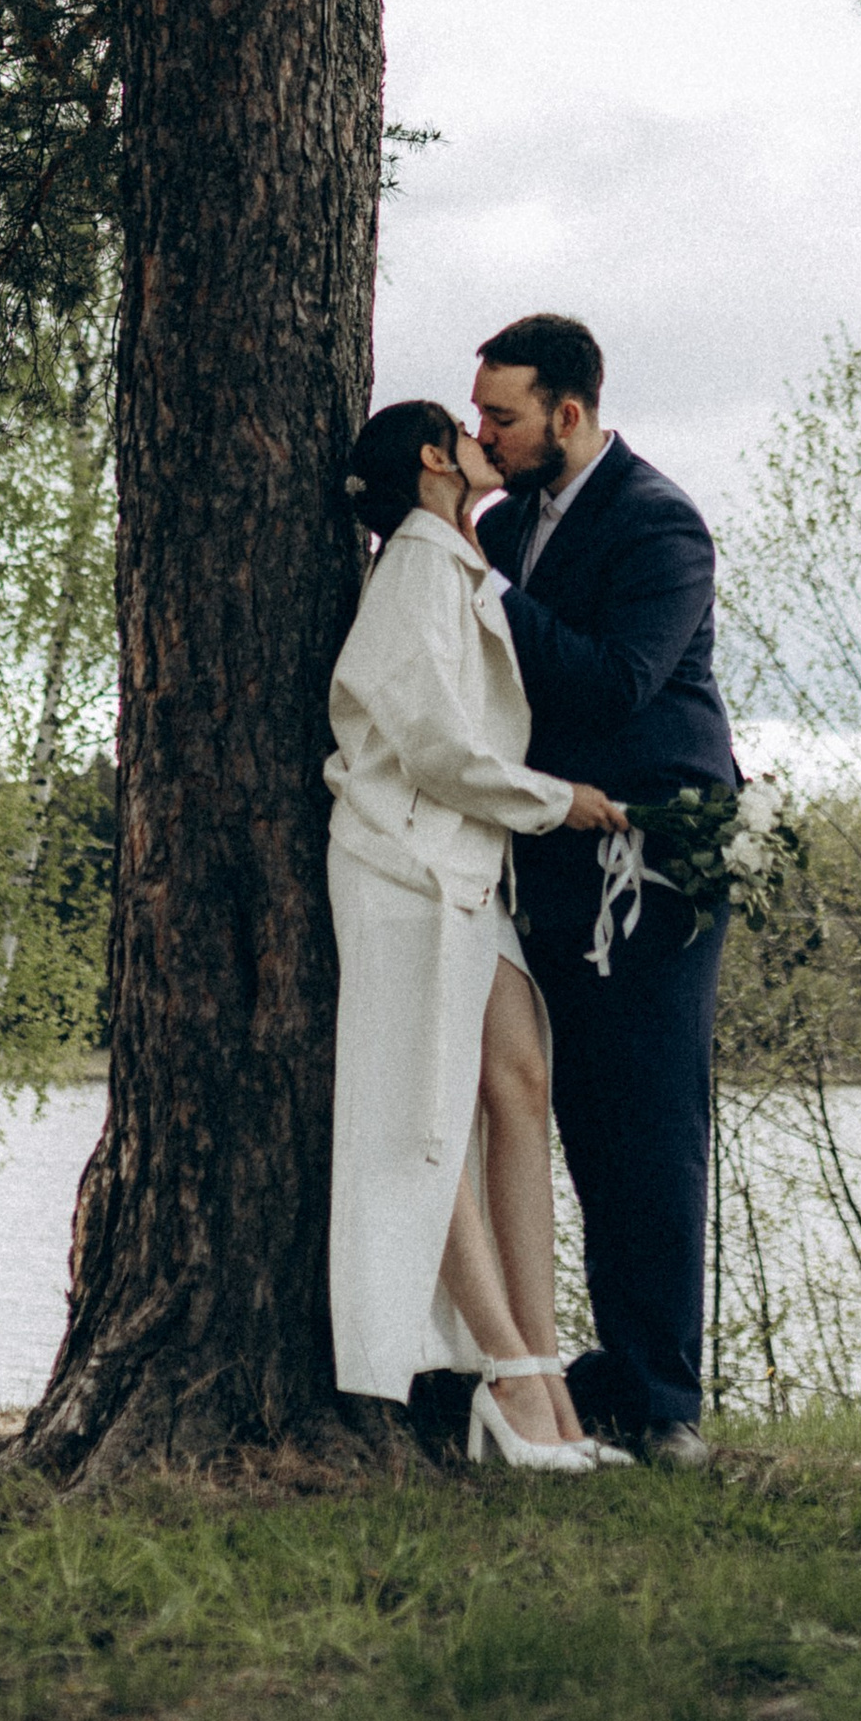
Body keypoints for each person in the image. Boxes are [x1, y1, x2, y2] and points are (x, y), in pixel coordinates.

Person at [322, 398, 634, 1470]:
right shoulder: (412, 567)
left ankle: (542, 1367)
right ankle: (509, 1379)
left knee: (517, 1087)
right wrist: (559, 801)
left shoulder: (453, 562)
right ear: (430, 458)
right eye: (465, 427)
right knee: (429, 1114)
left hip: (466, 869)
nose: (480, 438)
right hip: (403, 868)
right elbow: (431, 745)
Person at [471, 313, 736, 1468]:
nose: (486, 432)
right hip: (550, 864)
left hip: (655, 868)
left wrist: (467, 577)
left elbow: (616, 684)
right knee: (576, 1123)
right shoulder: (509, 519)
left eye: (503, 415)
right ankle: (610, 1375)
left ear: (566, 413)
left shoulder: (658, 524)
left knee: (651, 1128)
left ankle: (665, 1400)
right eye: (481, 413)